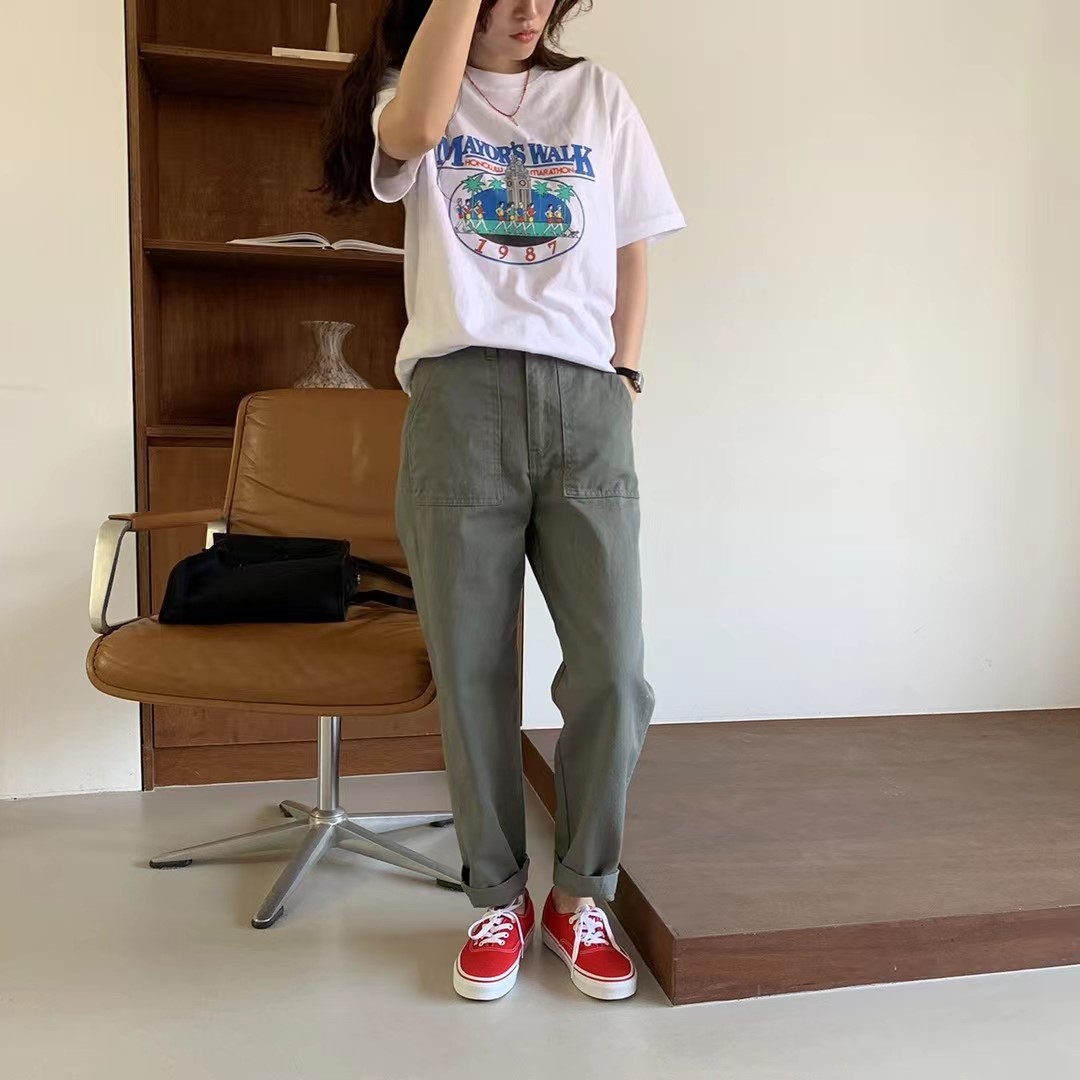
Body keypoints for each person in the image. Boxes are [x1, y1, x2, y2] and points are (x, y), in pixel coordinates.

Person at [319, 0, 684, 1002]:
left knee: (615, 671)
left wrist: (625, 373)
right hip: (461, 396)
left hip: (584, 399)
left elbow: (632, 241)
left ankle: (580, 896)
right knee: (474, 670)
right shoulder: (413, 91)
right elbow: (415, 131)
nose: (530, 11)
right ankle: (495, 896)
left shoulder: (595, 94)